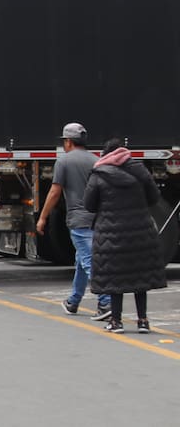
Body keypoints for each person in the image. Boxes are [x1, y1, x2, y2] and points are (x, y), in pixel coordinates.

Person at [84, 137, 168, 334]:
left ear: (106, 154)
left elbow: (89, 204)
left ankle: (116, 321)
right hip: (140, 229)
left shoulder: (99, 174)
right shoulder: (140, 171)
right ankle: (143, 321)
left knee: (115, 278)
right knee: (140, 277)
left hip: (110, 233)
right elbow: (154, 198)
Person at [36, 122, 111, 320]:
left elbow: (54, 192)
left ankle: (106, 302)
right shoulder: (96, 160)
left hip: (79, 219)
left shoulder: (64, 161)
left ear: (68, 142)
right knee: (81, 260)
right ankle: (73, 301)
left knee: (88, 261)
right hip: (97, 217)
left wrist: (42, 217)